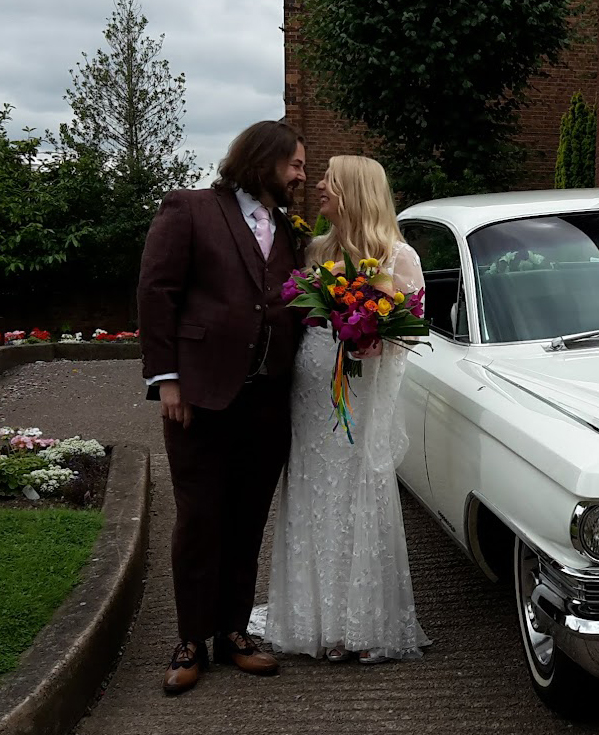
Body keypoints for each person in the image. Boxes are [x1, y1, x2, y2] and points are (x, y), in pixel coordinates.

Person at [137, 120, 309, 694]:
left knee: (247, 517)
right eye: (296, 165)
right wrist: (167, 382)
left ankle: (233, 631)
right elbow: (156, 293)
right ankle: (190, 640)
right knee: (199, 517)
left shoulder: (288, 228)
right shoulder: (189, 209)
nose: (302, 175)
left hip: (267, 398)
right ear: (264, 161)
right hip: (199, 396)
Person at [263, 155, 430, 664]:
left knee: (356, 489)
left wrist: (376, 339)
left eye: (329, 182)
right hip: (311, 394)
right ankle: (313, 619)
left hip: (358, 396)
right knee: (315, 491)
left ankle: (359, 623)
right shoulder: (316, 250)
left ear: (355, 192)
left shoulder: (398, 257)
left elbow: (411, 332)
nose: (319, 188)